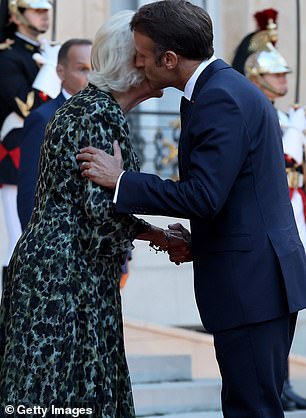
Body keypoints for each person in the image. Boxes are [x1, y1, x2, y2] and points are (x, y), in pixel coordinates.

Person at [77, 2, 306, 417]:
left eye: (142, 55)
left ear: (169, 60)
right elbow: (239, 196)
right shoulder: (222, 89)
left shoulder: (219, 98)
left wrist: (122, 180)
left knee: (251, 408)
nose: (138, 63)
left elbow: (204, 196)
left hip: (251, 285)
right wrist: (198, 239)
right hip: (256, 278)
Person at [0, 10, 186, 416]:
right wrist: (161, 235)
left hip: (62, 272)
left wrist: (153, 233)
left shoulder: (91, 107)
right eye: (156, 52)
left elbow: (99, 209)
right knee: (61, 398)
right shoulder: (99, 115)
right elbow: (102, 222)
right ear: (136, 61)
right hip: (65, 280)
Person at [232, 10, 306, 410]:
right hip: (267, 226)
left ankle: (284, 383)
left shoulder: (283, 115)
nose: (283, 80)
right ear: (257, 76)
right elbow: (279, 165)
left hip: (292, 213)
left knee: (289, 304)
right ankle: (276, 385)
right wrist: (294, 134)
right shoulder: (262, 116)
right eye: (276, 75)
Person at [0, 0, 59, 290]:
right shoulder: (9, 56)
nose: (44, 17)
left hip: (45, 150)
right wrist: (51, 68)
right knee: (17, 235)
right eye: (37, 11)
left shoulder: (45, 51)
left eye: (45, 11)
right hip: (15, 151)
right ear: (16, 14)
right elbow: (28, 106)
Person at [17, 38, 92, 230]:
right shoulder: (43, 118)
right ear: (61, 71)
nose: (91, 77)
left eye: (96, 69)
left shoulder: (106, 115)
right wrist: (36, 244)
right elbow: (29, 189)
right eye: (82, 69)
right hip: (58, 244)